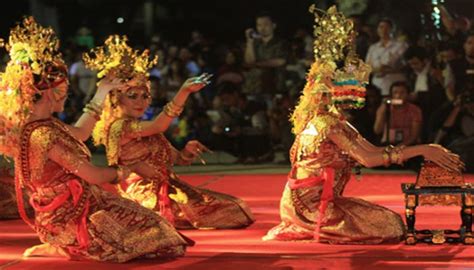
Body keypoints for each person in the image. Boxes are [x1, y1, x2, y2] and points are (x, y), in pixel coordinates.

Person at [263, 6, 464, 244]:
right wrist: (422, 150)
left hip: (317, 201)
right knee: (390, 225)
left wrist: (425, 147)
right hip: (309, 207)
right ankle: (308, 227)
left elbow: (373, 151)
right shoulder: (327, 125)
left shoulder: (336, 122)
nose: (361, 93)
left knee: (390, 221)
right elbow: (368, 160)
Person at [0, 17, 189, 262]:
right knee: (158, 234)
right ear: (50, 93)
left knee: (160, 228)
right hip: (68, 216)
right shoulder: (42, 133)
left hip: (79, 204)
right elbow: (94, 176)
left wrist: (101, 92)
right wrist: (128, 169)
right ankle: (63, 242)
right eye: (64, 89)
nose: (67, 94)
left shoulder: (45, 125)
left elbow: (80, 133)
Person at [85, 35, 254, 229]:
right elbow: (159, 126)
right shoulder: (121, 127)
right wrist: (184, 92)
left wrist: (186, 152)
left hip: (168, 188)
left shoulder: (144, 127)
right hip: (145, 196)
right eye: (133, 96)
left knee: (236, 208)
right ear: (116, 100)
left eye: (145, 96)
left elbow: (178, 159)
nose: (141, 102)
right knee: (228, 212)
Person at [365, 18, 408, 96]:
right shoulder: (373, 48)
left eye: (387, 27)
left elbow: (406, 64)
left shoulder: (400, 45)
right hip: (377, 84)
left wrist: (390, 69)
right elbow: (367, 66)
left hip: (395, 83)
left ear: (391, 29)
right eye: (381, 27)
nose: (384, 30)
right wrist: (377, 69)